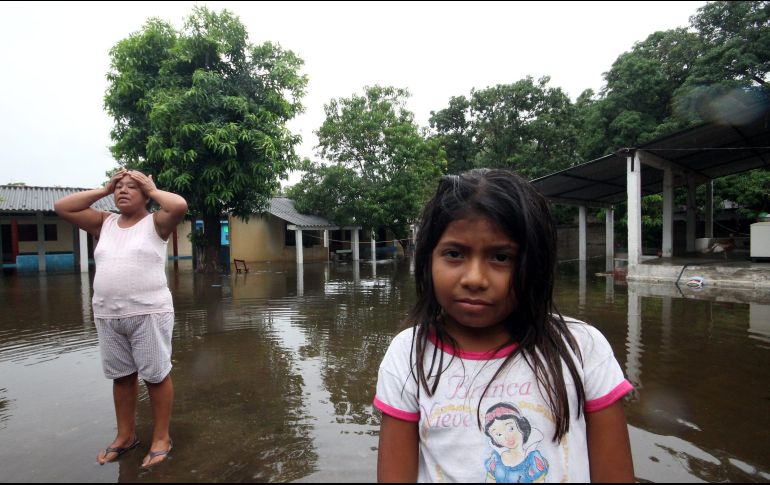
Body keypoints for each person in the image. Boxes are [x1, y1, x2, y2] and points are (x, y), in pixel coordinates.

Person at [373, 169, 634, 482]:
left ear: (533, 263)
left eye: (501, 257)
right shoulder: (408, 355)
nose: (474, 279)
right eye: (454, 253)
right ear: (429, 258)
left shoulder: (582, 348)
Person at [55, 170, 187, 468]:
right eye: (119, 187)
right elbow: (63, 207)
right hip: (108, 313)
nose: (123, 191)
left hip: (148, 312)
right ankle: (125, 437)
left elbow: (178, 205)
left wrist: (151, 188)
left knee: (155, 376)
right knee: (122, 376)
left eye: (131, 187)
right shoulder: (105, 223)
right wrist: (104, 188)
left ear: (145, 195)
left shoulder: (156, 222)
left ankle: (161, 438)